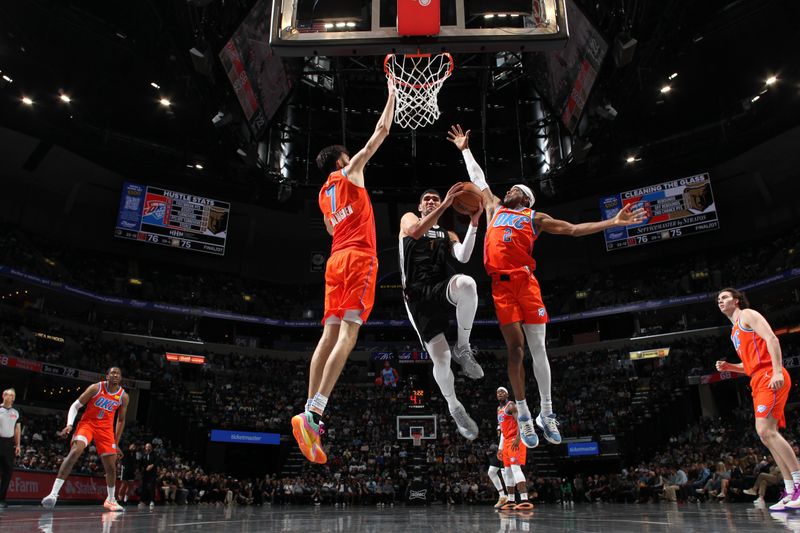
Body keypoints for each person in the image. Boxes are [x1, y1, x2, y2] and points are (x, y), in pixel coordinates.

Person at [447, 124, 644, 448]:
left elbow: (574, 229)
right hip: (501, 287)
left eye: (516, 189)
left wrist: (613, 222)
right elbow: (479, 178)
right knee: (516, 349)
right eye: (510, 188)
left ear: (526, 198)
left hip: (526, 283)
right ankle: (524, 414)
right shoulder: (494, 208)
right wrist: (465, 149)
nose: (509, 190)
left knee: (538, 348)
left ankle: (546, 412)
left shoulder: (534, 218)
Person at [292, 80, 396, 464]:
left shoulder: (323, 195)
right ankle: (316, 410)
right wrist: (391, 95)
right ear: (341, 160)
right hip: (359, 259)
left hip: (334, 262)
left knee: (328, 334)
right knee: (350, 336)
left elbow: (334, 229)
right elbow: (380, 133)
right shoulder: (350, 172)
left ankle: (308, 413)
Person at [398, 185, 484, 439]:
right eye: (427, 199)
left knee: (468, 284)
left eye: (436, 198)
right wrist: (447, 204)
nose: (433, 201)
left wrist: (475, 223)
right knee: (442, 360)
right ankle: (454, 406)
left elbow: (464, 257)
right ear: (420, 206)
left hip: (439, 288)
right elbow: (415, 231)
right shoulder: (409, 219)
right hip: (416, 295)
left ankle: (464, 348)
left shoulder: (448, 233)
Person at [715, 287, 800, 511]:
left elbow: (772, 339)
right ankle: (791, 491)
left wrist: (778, 371)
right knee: (767, 436)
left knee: (766, 431)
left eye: (724, 297)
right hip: (757, 378)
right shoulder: (734, 331)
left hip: (769, 375)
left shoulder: (748, 315)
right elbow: (749, 365)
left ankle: (799, 485)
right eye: (718, 299)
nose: (720, 301)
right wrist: (729, 366)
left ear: (736, 300)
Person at [42, 367, 128, 511]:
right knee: (75, 451)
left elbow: (121, 420)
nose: (115, 375)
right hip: (88, 424)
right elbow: (75, 406)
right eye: (112, 373)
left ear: (120, 378)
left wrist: (115, 442)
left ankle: (111, 500)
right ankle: (53, 494)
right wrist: (69, 425)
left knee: (111, 467)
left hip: (106, 430)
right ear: (107, 376)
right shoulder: (95, 388)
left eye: (118, 374)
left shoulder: (123, 396)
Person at [496, 386, 533, 511]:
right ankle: (511, 500)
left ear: (507, 395)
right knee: (507, 472)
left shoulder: (511, 406)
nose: (500, 393)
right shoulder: (499, 409)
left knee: (515, 468)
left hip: (514, 439)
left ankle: (524, 499)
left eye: (502, 392)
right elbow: (502, 430)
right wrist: (500, 448)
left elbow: (521, 422)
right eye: (498, 392)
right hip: (506, 441)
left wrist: (518, 437)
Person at [0, 388, 21, 508]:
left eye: (13, 395)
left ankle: (1, 499)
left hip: (9, 444)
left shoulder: (16, 412)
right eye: (9, 395)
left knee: (8, 472)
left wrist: (17, 445)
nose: (11, 397)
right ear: (3, 396)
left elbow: (17, 429)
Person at [138, 442, 158, 510]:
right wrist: (140, 470)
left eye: (149, 446)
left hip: (152, 473)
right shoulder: (143, 455)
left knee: (152, 486)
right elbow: (140, 464)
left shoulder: (154, 454)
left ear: (151, 448)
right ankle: (143, 501)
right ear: (145, 448)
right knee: (144, 487)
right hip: (145, 473)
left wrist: (152, 465)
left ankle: (152, 501)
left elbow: (158, 461)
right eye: (147, 447)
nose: (148, 448)